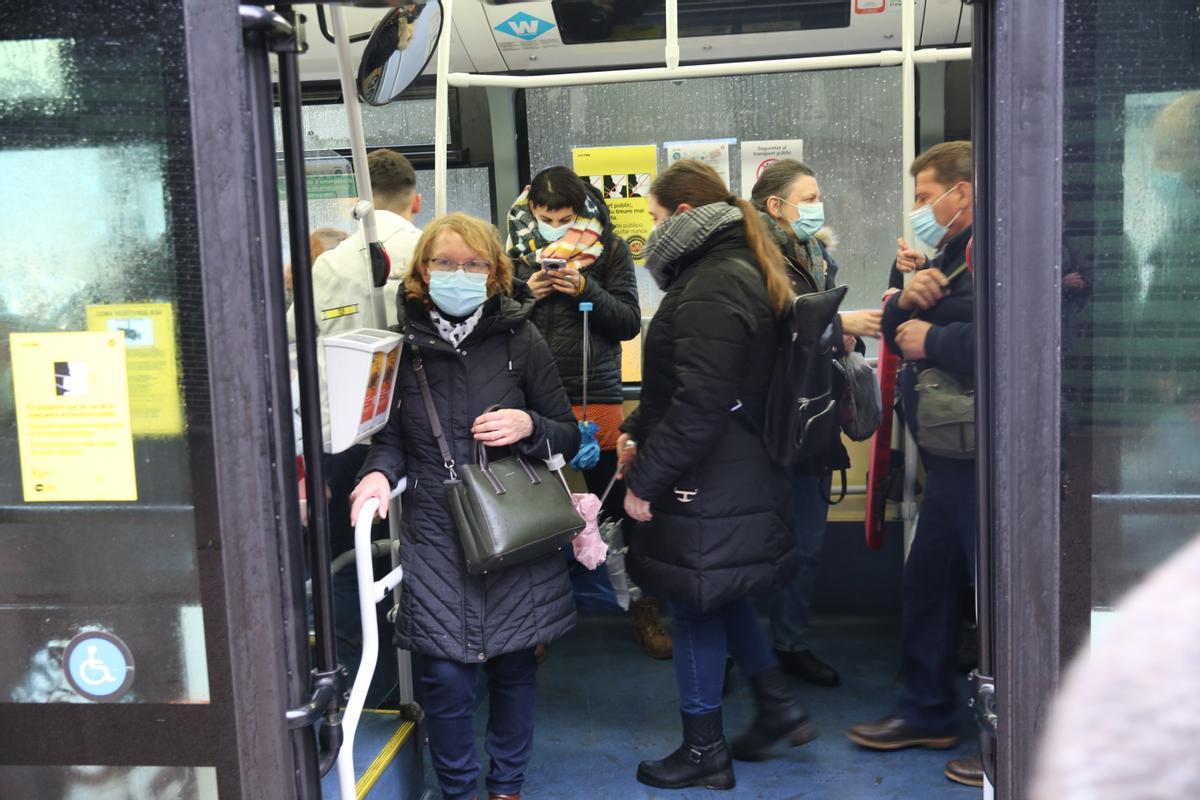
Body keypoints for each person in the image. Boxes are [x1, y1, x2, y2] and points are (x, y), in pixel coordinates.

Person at [350, 213, 580, 800]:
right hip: (436, 529)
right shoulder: (400, 348)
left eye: (475, 264)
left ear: (495, 273)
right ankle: (457, 790)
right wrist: (378, 476)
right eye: (446, 262)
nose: (460, 273)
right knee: (444, 677)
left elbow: (566, 433)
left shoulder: (521, 338)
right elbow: (390, 439)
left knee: (512, 666)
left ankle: (506, 787)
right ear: (423, 272)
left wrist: (529, 424)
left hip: (513, 527)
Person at [619, 159, 815, 791]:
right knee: (720, 593)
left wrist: (645, 479)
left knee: (693, 606)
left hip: (706, 475)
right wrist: (636, 429)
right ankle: (777, 705)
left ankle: (705, 752)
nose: (647, 235)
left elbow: (701, 403)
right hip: (736, 468)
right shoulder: (737, 268)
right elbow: (685, 383)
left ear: (682, 217)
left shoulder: (708, 284)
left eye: (651, 219)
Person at [847, 141, 981, 787]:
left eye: (928, 197)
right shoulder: (954, 254)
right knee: (928, 583)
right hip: (952, 455)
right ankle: (928, 709)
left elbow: (1021, 334)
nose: (921, 210)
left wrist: (937, 337)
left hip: (992, 457)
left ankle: (1009, 729)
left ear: (966, 191)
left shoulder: (1005, 248)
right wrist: (909, 291)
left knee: (997, 597)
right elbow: (901, 322)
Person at [505, 167, 670, 658]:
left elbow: (625, 324)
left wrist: (586, 290)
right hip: (530, 399)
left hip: (595, 395)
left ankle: (643, 608)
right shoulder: (509, 251)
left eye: (566, 217)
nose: (555, 226)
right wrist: (524, 297)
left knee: (616, 508)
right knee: (535, 513)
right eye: (545, 216)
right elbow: (494, 325)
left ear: (581, 210)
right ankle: (536, 620)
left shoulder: (612, 250)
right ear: (530, 209)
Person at [750, 159, 883, 688]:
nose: (817, 206)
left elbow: (820, 323)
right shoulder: (750, 258)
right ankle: (743, 647)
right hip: (767, 421)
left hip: (816, 414)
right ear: (776, 206)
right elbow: (767, 332)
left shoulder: (817, 254)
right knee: (752, 543)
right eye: (808, 197)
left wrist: (844, 337)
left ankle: (791, 641)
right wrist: (834, 328)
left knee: (806, 543)